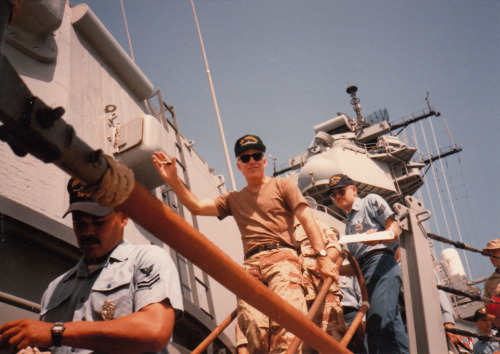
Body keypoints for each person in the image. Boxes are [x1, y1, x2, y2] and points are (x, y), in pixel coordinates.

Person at [152, 134, 339, 353]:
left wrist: (323, 257)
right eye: (245, 158)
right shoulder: (233, 199)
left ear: (264, 160)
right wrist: (173, 180)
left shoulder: (283, 186)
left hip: (283, 260)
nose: (252, 161)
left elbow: (306, 217)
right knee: (253, 330)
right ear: (239, 165)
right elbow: (196, 206)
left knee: (288, 326)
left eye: (256, 155)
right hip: (250, 266)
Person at [0, 178, 183, 353]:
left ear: (123, 217)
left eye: (98, 222)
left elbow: (155, 330)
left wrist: (55, 332)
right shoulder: (55, 288)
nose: (87, 232)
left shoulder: (147, 259)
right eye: (79, 222)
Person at [327, 173, 409, 353]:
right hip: (365, 273)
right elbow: (355, 265)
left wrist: (378, 236)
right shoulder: (348, 224)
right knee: (393, 327)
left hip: (381, 264)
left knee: (378, 325)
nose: (338, 197)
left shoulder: (370, 201)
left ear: (354, 190)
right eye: (334, 195)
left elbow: (393, 229)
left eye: (341, 191)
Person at [292, 217, 346, 350]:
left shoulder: (313, 223)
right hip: (294, 295)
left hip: (322, 291)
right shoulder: (277, 228)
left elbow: (334, 247)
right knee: (299, 346)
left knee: (331, 342)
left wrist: (322, 263)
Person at [339, 265, 367, 354]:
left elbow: (362, 296)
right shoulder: (316, 262)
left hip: (350, 315)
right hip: (327, 316)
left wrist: (362, 321)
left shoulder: (348, 264)